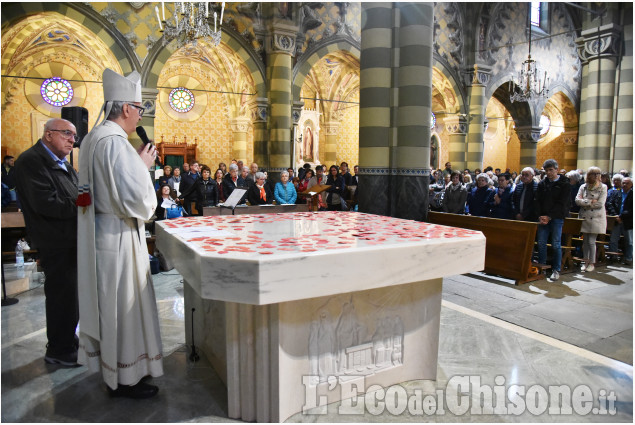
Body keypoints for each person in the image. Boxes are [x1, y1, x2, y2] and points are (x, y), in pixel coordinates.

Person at [76, 68, 163, 399]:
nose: (140, 115)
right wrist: (143, 168)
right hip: (119, 236)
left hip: (102, 234)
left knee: (111, 305)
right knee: (124, 307)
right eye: (140, 109)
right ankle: (126, 377)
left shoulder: (94, 138)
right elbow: (138, 202)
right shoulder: (116, 143)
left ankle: (116, 371)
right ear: (126, 108)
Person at [14, 118, 79, 366]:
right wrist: (87, 205)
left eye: (73, 135)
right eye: (67, 134)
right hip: (56, 240)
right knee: (61, 295)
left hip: (70, 238)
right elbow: (47, 203)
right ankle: (59, 351)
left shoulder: (63, 164)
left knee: (71, 296)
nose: (72, 139)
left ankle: (67, 340)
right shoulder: (31, 161)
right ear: (49, 134)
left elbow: (76, 192)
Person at [535, 159, 571, 282]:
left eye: (551, 170)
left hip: (557, 218)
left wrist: (549, 216)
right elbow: (538, 201)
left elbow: (562, 203)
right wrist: (541, 215)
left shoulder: (564, 184)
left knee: (556, 244)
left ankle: (556, 269)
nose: (549, 173)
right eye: (546, 170)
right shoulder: (542, 184)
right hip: (543, 218)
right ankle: (542, 267)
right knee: (541, 243)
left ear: (557, 169)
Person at [575, 166, 607, 272]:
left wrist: (584, 202)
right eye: (589, 174)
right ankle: (585, 261)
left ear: (598, 176)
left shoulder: (603, 187)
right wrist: (589, 201)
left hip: (596, 218)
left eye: (594, 174)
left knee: (591, 241)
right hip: (584, 216)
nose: (591, 176)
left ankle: (592, 263)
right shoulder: (583, 186)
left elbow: (600, 204)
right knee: (585, 241)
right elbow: (577, 200)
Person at [617, 177, 633, 265]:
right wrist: (615, 215)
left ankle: (629, 258)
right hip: (616, 219)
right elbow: (611, 203)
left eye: (627, 183)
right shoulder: (618, 193)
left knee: (629, 241)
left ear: (631, 185)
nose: (624, 185)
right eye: (623, 183)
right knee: (614, 239)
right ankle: (613, 257)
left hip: (628, 221)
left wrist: (621, 216)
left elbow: (631, 209)